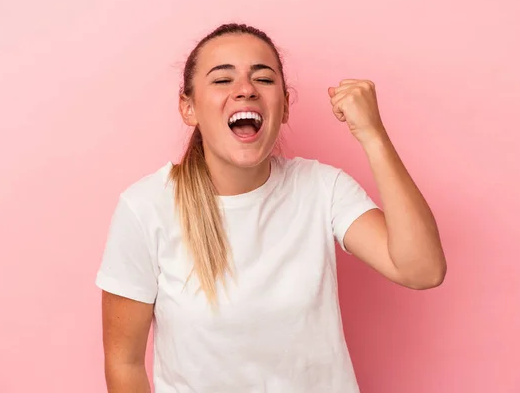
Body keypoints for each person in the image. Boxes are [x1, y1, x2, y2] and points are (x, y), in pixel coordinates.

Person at [95, 23, 447, 393]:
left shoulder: (321, 188)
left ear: (285, 107)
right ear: (189, 108)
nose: (245, 90)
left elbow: (422, 270)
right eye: (221, 80)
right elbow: (124, 363)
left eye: (263, 79)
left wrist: (373, 135)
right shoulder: (145, 208)